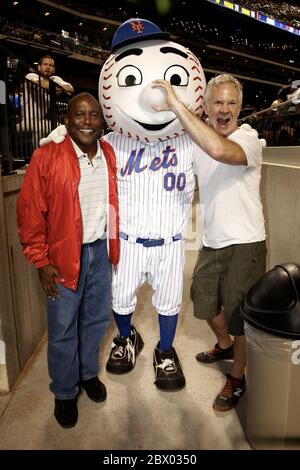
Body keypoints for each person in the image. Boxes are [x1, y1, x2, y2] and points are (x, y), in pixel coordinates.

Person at [152, 73, 266, 411]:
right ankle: (224, 344)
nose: (226, 109)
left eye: (232, 103)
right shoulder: (199, 138)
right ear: (206, 105)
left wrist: (175, 104)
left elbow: (218, 149)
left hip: (246, 243)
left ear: (241, 108)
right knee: (203, 303)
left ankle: (237, 376)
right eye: (218, 102)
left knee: (240, 316)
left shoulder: (249, 139)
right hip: (213, 241)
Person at [17, 92, 119, 428]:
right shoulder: (46, 156)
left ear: (100, 120)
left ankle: (88, 374)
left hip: (100, 252)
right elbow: (31, 212)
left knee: (95, 321)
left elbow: (115, 202)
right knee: (62, 330)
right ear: (67, 120)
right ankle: (64, 391)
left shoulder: (109, 153)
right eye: (80, 115)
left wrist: (115, 248)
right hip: (62, 256)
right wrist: (41, 260)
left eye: (93, 115)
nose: (87, 121)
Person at [20, 55, 74, 149]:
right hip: (24, 121)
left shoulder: (55, 79)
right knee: (42, 126)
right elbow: (43, 84)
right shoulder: (31, 75)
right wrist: (58, 88)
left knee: (64, 129)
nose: (48, 67)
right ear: (39, 67)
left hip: (42, 121)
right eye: (45, 64)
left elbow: (70, 88)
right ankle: (38, 154)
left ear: (53, 69)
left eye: (51, 65)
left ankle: (59, 156)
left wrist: (56, 87)